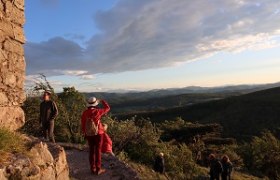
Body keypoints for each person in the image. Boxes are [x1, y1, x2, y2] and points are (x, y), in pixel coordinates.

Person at [81, 97, 110, 175]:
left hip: (89, 134)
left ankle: (92, 169)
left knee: (91, 151)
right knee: (98, 151)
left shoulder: (85, 113)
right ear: (95, 104)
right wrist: (102, 101)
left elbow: (83, 125)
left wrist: (85, 133)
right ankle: (98, 169)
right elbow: (107, 108)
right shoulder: (98, 111)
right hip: (98, 134)